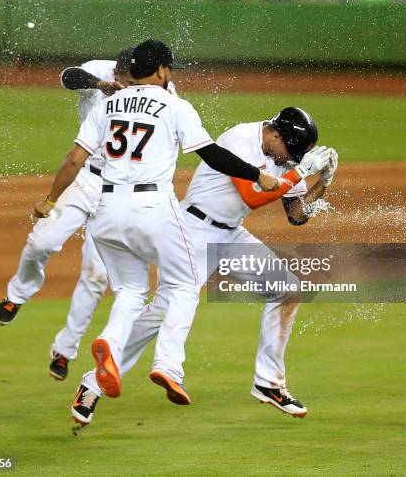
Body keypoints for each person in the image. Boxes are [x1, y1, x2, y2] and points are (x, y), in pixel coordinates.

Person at [26, 39, 281, 428]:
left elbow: (75, 158)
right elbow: (211, 154)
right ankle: (168, 366)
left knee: (130, 291)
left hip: (106, 211)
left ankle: (109, 348)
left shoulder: (108, 103)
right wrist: (256, 173)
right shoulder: (175, 105)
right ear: (161, 70)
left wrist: (49, 200)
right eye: (170, 68)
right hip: (152, 210)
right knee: (185, 283)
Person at [71, 105, 337, 428]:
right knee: (161, 311)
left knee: (287, 289)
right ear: (275, 134)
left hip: (231, 235)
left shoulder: (287, 159)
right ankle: (92, 385)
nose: (289, 160)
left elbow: (296, 215)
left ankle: (269, 382)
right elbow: (252, 196)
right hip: (193, 230)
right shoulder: (240, 139)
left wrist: (322, 182)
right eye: (289, 152)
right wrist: (299, 171)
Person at [0, 49, 131, 381]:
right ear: (116, 71)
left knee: (97, 277)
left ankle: (64, 350)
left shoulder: (158, 93)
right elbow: (68, 77)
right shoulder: (101, 72)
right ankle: (19, 293)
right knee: (42, 242)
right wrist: (102, 84)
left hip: (119, 194)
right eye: (122, 79)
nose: (127, 85)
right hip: (85, 179)